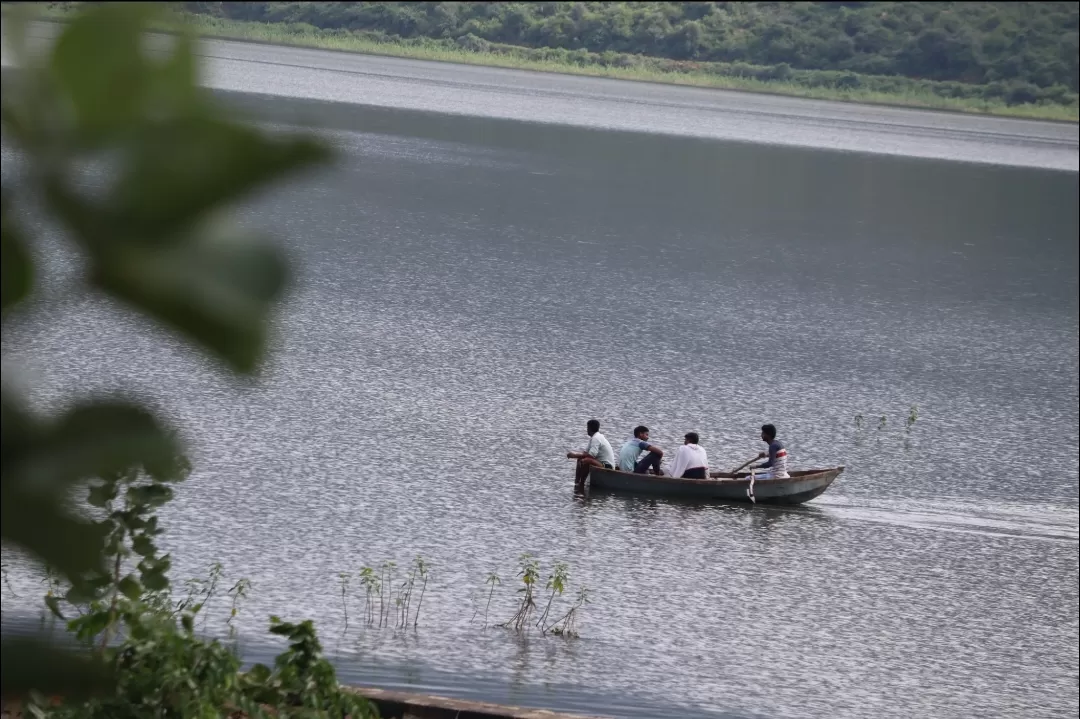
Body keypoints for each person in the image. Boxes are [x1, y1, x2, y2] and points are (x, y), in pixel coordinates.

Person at [566, 419, 614, 489]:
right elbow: (585, 453)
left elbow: (591, 455)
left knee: (587, 460)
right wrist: (574, 454)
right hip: (600, 462)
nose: (586, 429)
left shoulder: (596, 438)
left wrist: (574, 455)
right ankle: (576, 482)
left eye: (587, 428)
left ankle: (582, 483)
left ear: (589, 428)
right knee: (580, 459)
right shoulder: (593, 438)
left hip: (608, 466)